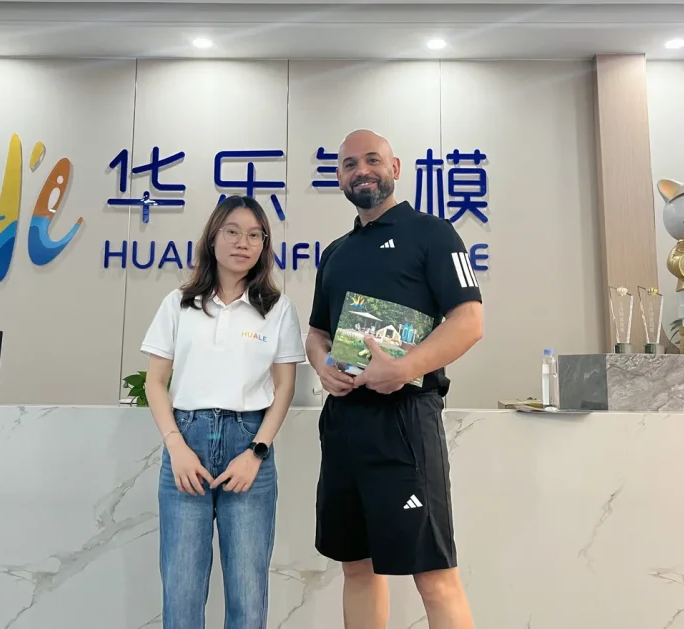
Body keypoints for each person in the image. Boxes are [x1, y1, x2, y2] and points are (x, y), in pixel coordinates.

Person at [306, 130, 484, 629]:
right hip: (344, 423)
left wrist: (404, 368)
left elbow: (469, 321)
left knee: (433, 571)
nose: (361, 170)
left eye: (372, 160)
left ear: (395, 167)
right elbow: (318, 333)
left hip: (406, 422)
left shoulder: (433, 233)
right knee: (356, 566)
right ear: (339, 176)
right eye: (348, 164)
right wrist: (323, 367)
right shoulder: (335, 252)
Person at [141, 195, 305, 629]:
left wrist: (256, 452)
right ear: (213, 237)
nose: (243, 242)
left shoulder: (277, 308)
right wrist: (176, 447)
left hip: (248, 447)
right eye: (232, 231)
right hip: (186, 445)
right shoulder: (179, 303)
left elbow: (284, 387)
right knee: (181, 588)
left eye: (255, 235)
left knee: (248, 592)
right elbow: (155, 382)